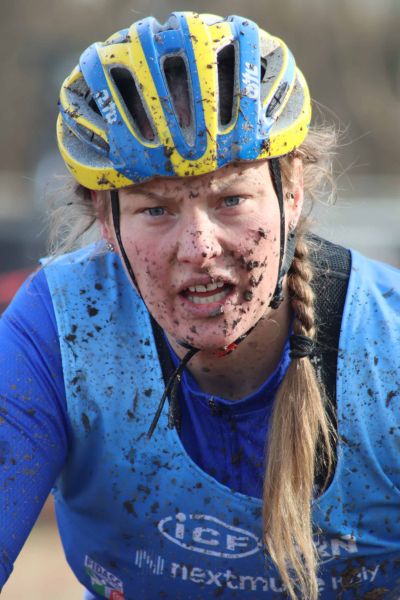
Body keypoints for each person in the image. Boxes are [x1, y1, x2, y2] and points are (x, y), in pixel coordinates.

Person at [0, 11, 399, 600]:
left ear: (291, 190)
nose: (198, 247)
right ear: (106, 221)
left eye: (231, 199)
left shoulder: (389, 347)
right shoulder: (59, 329)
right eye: (155, 209)